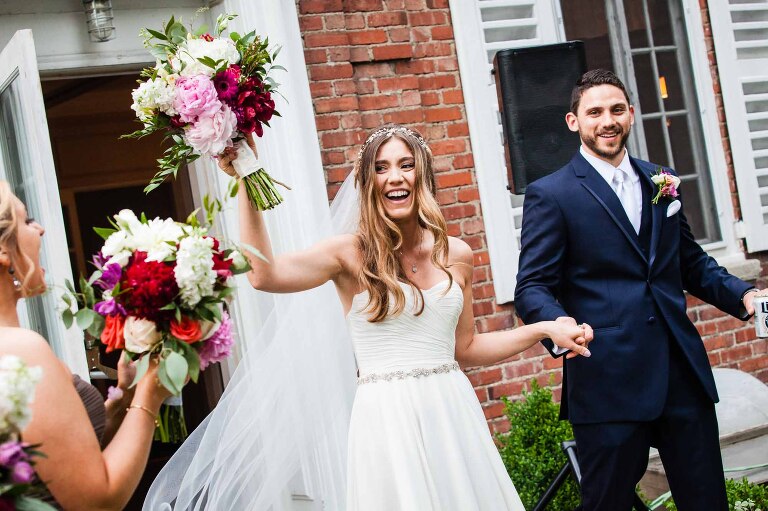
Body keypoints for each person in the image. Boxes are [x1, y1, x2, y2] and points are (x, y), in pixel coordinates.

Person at [146, 124, 593, 510]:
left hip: (451, 412)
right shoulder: (347, 254)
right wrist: (248, 181)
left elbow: (468, 348)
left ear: (422, 175)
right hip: (386, 419)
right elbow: (264, 275)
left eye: (405, 165)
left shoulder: (457, 253)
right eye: (381, 167)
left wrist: (544, 328)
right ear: (367, 181)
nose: (394, 177)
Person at [514, 69, 767, 511]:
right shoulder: (550, 194)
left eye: (616, 110)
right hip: (606, 378)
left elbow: (690, 262)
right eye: (594, 112)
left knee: (707, 502)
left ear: (630, 114)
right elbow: (532, 285)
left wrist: (744, 296)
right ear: (574, 121)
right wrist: (558, 324)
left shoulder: (661, 180)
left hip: (681, 373)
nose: (607, 121)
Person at [0, 180, 172, 510]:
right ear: (3, 252)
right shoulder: (22, 351)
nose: (40, 229)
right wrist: (152, 390)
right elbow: (97, 502)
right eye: (26, 220)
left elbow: (64, 468)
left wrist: (124, 398)